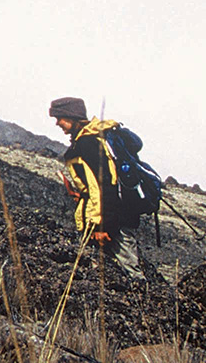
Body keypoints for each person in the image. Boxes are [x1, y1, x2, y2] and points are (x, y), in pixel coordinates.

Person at [50, 96, 145, 283]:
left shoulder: (88, 144)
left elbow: (106, 186)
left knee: (130, 273)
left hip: (115, 220)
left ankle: (145, 305)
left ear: (71, 117)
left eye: (59, 117)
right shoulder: (84, 141)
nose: (57, 123)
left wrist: (103, 227)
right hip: (110, 217)